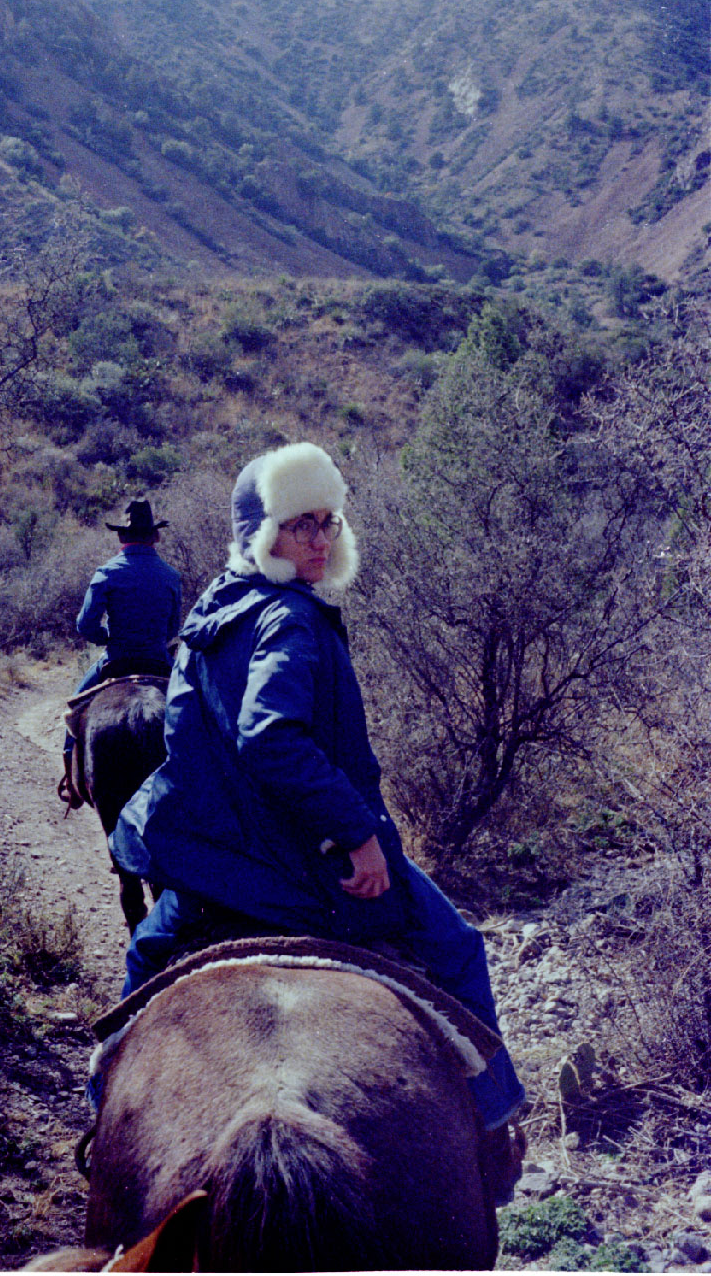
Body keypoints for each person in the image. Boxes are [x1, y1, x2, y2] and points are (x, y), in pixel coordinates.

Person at [110, 441, 526, 1199]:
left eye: (328, 522)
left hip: (216, 860)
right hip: (301, 868)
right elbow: (270, 735)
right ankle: (496, 1133)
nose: (319, 540)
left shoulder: (213, 610)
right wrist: (356, 833)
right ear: (258, 530)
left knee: (143, 961)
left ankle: (96, 1121)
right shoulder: (292, 620)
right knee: (460, 950)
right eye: (299, 524)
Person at [60, 499, 182, 795]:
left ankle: (72, 783)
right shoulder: (171, 576)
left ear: (121, 536)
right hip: (159, 663)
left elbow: (84, 624)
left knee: (74, 711)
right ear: (155, 536)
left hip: (116, 661)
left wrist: (106, 638)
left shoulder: (107, 572)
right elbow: (172, 630)